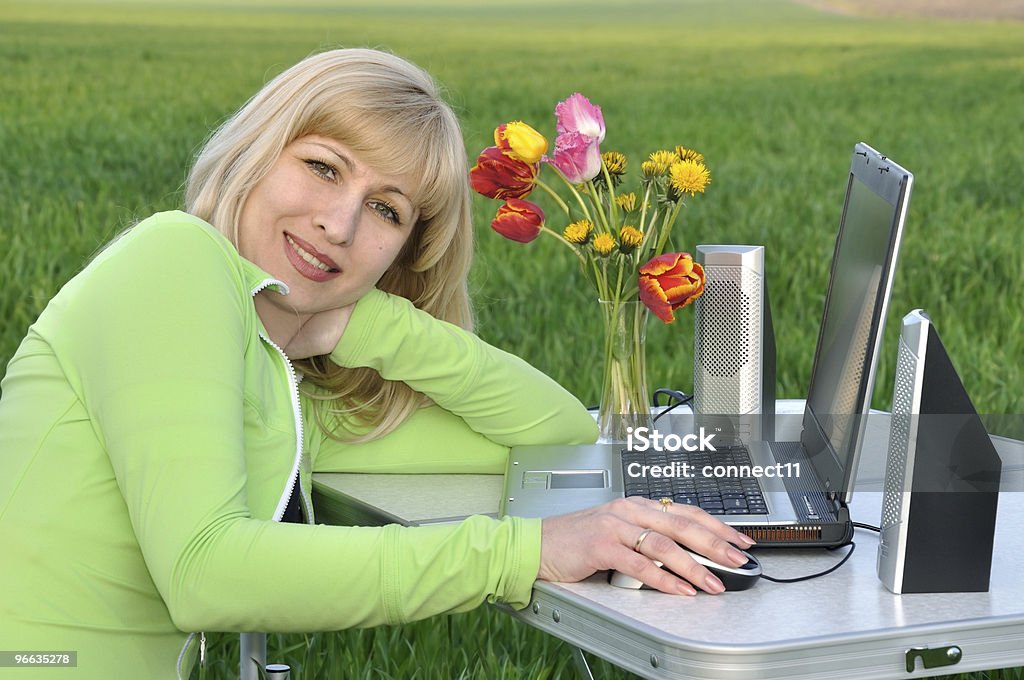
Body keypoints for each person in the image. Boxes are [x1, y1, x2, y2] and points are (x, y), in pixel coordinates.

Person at [0, 48, 755, 678]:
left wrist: (376, 322)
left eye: (387, 210)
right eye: (324, 167)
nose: (338, 224)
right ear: (259, 151)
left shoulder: (280, 384)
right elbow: (206, 572)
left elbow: (555, 433)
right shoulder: (173, 260)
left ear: (404, 254)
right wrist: (524, 553)